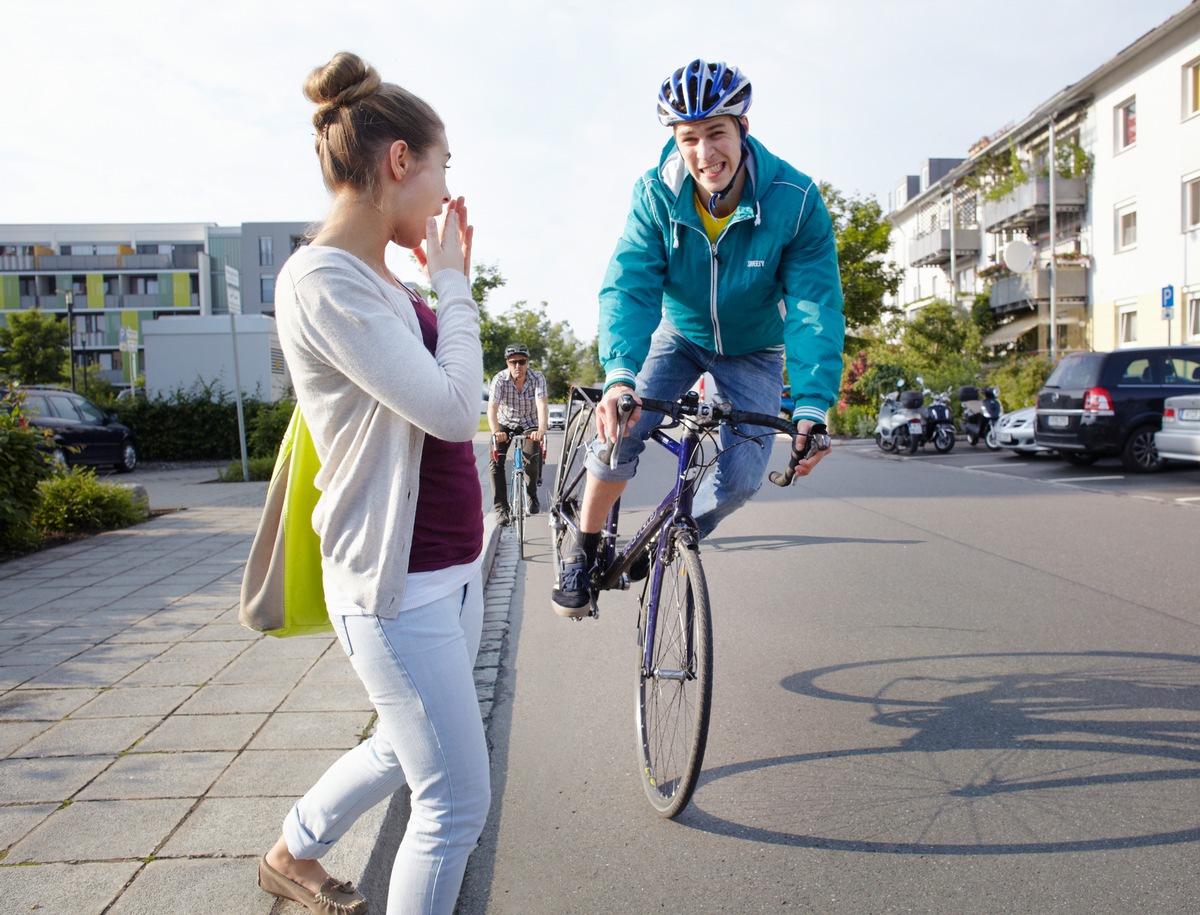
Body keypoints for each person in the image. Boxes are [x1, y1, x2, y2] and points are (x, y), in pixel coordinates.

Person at [259, 51, 489, 915]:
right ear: (400, 162)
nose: (444, 195)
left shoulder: (378, 277)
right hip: (401, 592)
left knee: (404, 747)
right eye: (442, 169)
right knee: (455, 802)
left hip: (449, 572)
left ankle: (291, 848)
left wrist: (440, 283)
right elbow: (454, 409)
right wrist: (456, 284)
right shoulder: (321, 282)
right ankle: (293, 848)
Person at [551, 59, 845, 617]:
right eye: (690, 138)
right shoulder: (656, 193)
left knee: (738, 480)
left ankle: (672, 534)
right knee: (621, 429)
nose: (705, 154)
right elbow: (630, 285)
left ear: (743, 131)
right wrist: (619, 377)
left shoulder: (796, 200)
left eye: (717, 133)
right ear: (676, 141)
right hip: (678, 333)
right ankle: (582, 548)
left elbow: (813, 308)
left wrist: (811, 404)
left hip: (755, 350)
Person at [487, 342, 548, 524]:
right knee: (495, 462)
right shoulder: (499, 380)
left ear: (527, 362)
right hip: (505, 423)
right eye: (513, 362)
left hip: (530, 423)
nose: (517, 366)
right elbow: (492, 409)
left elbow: (542, 406)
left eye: (521, 362)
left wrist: (541, 431)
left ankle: (531, 494)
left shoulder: (537, 378)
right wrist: (497, 431)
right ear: (507, 363)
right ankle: (501, 508)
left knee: (531, 461)